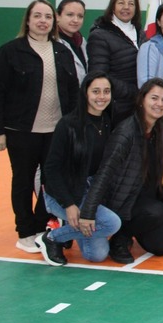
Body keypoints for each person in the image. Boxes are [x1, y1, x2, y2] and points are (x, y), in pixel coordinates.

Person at [0, 0, 78, 254]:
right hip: (21, 132)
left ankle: (40, 226)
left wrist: (72, 128)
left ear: (54, 21)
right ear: (28, 20)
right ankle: (25, 232)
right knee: (24, 181)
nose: (42, 21)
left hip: (55, 132)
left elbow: (72, 93)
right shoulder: (10, 51)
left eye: (47, 16)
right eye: (37, 16)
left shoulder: (62, 52)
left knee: (52, 181)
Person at [81, 79, 163, 262]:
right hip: (122, 199)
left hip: (144, 197)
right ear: (141, 100)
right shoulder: (126, 132)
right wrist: (88, 212)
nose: (159, 104)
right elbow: (105, 173)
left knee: (162, 246)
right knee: (157, 211)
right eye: (154, 98)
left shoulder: (160, 130)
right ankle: (121, 237)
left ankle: (132, 229)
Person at [38, 72, 122, 265]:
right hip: (64, 193)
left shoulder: (107, 121)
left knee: (96, 255)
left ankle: (71, 227)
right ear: (85, 93)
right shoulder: (68, 124)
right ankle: (51, 238)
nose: (102, 97)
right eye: (96, 91)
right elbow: (51, 169)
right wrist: (69, 204)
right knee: (111, 223)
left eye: (106, 91)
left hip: (91, 192)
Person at [87, 0, 146, 121]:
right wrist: (132, 91)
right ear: (112, 7)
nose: (126, 7)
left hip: (137, 105)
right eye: (121, 3)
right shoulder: (99, 35)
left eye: (131, 4)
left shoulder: (141, 33)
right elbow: (98, 75)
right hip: (115, 107)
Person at [56, 0, 88, 86]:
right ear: (57, 16)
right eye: (70, 15)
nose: (75, 20)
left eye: (80, 16)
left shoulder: (82, 42)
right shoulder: (51, 43)